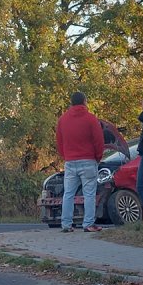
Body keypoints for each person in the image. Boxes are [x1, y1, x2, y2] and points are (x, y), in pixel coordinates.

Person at [56, 92, 105, 233]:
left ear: (71, 102)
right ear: (85, 101)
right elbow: (98, 140)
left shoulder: (63, 120)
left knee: (68, 193)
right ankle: (88, 224)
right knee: (89, 194)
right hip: (88, 160)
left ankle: (66, 224)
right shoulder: (90, 119)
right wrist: (98, 157)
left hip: (70, 161)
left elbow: (59, 141)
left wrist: (65, 155)